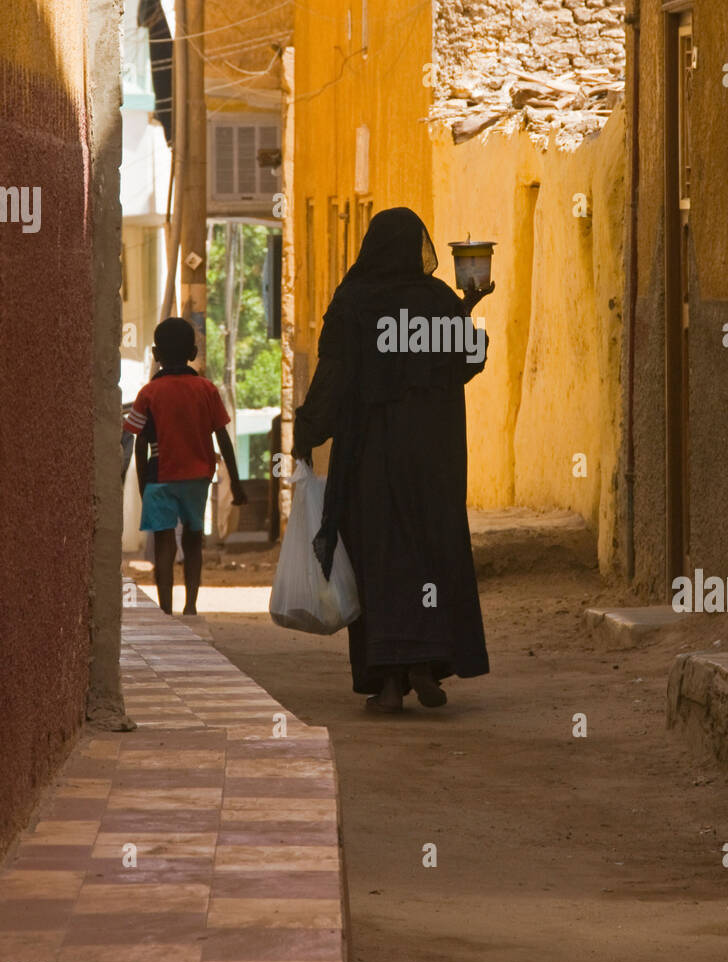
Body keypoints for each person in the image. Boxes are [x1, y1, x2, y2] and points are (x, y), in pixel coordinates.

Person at [291, 207, 492, 713]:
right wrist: (468, 307)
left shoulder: (354, 300)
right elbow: (468, 360)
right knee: (428, 552)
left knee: (380, 559)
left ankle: (386, 682)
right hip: (434, 459)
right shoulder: (438, 301)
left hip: (370, 460)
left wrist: (308, 429)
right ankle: (425, 666)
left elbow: (334, 377)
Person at [124, 317, 247, 616]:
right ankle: (190, 606)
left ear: (155, 354)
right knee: (193, 539)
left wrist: (144, 487)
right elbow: (223, 439)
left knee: (164, 543)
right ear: (192, 353)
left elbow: (138, 443)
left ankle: (165, 608)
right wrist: (237, 485)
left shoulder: (148, 394)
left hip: (159, 478)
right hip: (197, 477)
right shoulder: (206, 390)